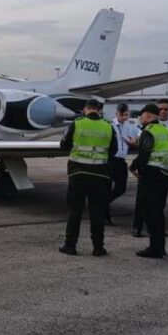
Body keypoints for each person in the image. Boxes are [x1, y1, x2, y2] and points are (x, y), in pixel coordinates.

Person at [58, 99, 118, 256]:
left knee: (75, 211)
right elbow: (114, 151)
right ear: (99, 110)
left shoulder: (77, 124)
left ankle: (70, 245)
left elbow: (64, 145)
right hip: (100, 175)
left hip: (78, 173)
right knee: (97, 212)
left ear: (86, 109)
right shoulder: (108, 126)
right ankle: (98, 248)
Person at [129, 104, 168, 258]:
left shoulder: (148, 131)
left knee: (149, 212)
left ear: (148, 116)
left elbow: (144, 153)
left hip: (151, 176)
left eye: (141, 116)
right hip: (165, 175)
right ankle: (160, 247)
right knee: (158, 211)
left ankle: (154, 248)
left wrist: (133, 167)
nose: (140, 118)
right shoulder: (167, 131)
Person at [106, 103, 140, 225]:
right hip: (109, 161)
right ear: (116, 114)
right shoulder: (109, 125)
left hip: (121, 161)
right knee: (107, 187)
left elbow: (140, 134)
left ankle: (102, 204)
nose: (124, 117)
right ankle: (105, 215)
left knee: (121, 188)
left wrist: (134, 139)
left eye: (126, 114)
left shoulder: (130, 126)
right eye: (122, 115)